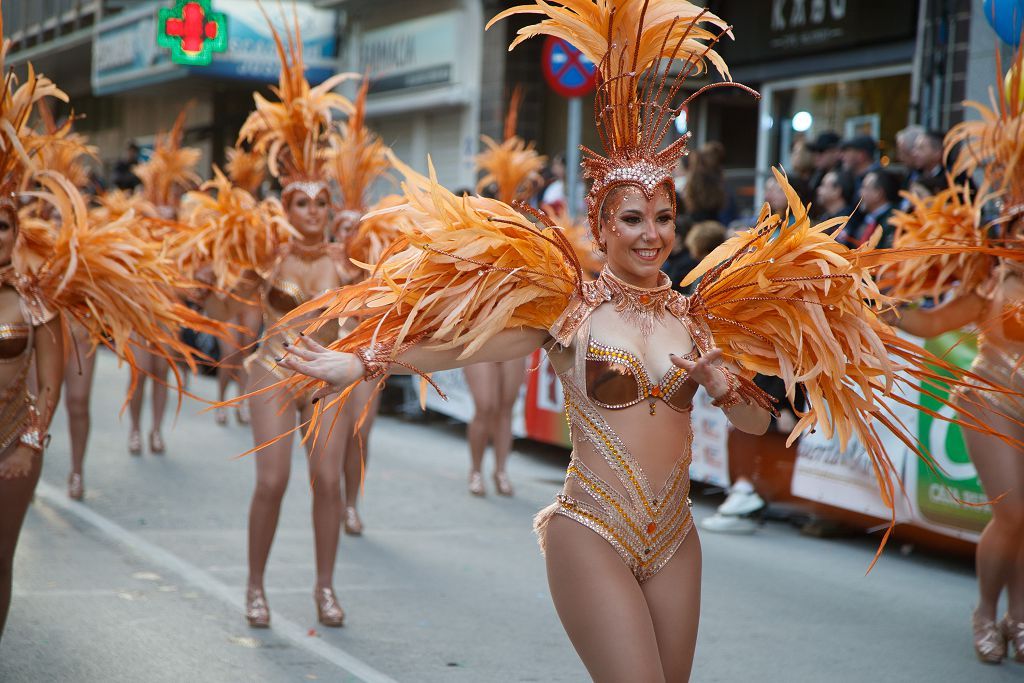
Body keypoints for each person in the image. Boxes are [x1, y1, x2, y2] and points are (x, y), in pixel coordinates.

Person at [269, 3, 1016, 677]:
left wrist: (727, 386)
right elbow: (463, 345)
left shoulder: (700, 312)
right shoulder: (569, 308)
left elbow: (763, 425)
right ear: (601, 226)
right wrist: (360, 359)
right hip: (589, 528)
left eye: (662, 216)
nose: (652, 233)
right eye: (632, 218)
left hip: (676, 538)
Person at [216, 16, 362, 629]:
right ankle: (255, 586)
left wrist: (362, 260)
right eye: (297, 201)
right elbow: (237, 299)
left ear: (332, 207)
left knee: (328, 482)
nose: (308, 211)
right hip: (273, 371)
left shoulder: (346, 259)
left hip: (329, 378)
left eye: (318, 201)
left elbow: (370, 312)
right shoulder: (267, 253)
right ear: (283, 206)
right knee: (272, 483)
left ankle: (325, 588)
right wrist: (243, 258)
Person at [884, 58, 1024, 664]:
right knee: (1013, 513)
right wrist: (883, 308)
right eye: (1016, 225)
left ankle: (1020, 619)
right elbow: (931, 323)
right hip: (988, 400)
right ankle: (984, 614)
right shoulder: (990, 286)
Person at [463, 88, 547, 497]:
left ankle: (500, 471)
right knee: (484, 405)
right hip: (480, 332)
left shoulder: (536, 241)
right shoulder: (479, 232)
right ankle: (476, 470)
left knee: (505, 408)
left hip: (515, 330)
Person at [125, 110, 202, 456]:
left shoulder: (184, 238)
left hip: (169, 314)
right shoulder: (137, 232)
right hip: (141, 313)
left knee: (162, 372)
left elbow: (191, 278)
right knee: (140, 373)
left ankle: (156, 430)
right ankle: (136, 431)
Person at [838, 169, 900, 249]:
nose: (860, 193)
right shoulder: (867, 218)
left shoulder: (893, 221)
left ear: (878, 193)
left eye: (864, 188)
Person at [807, 130, 841, 195]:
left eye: (821, 151)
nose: (816, 156)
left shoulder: (843, 177)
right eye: (815, 152)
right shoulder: (816, 175)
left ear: (836, 152)